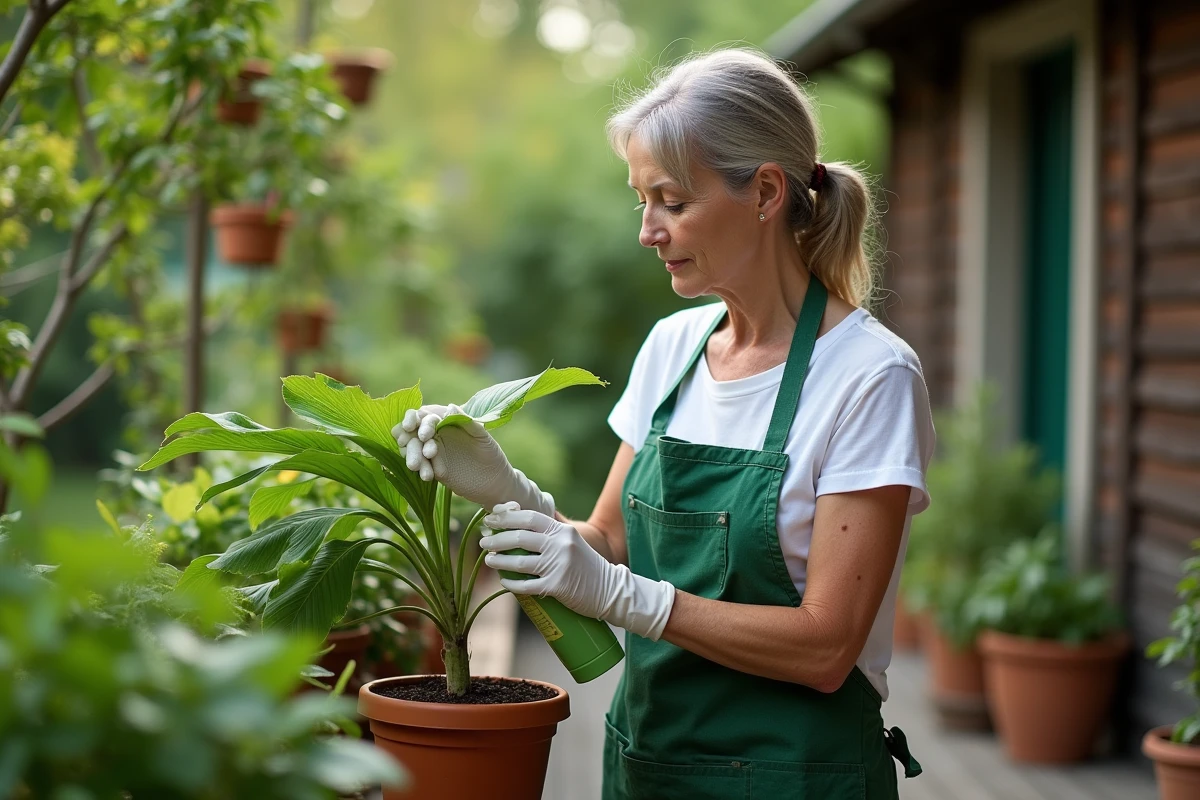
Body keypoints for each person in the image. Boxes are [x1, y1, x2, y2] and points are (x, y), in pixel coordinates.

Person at [392, 47, 935, 800]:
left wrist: (625, 597)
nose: (648, 230)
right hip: (648, 768)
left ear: (766, 192)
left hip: (797, 778)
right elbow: (607, 543)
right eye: (641, 201)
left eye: (673, 202)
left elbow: (827, 646)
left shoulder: (869, 376)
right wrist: (506, 493)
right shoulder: (673, 349)